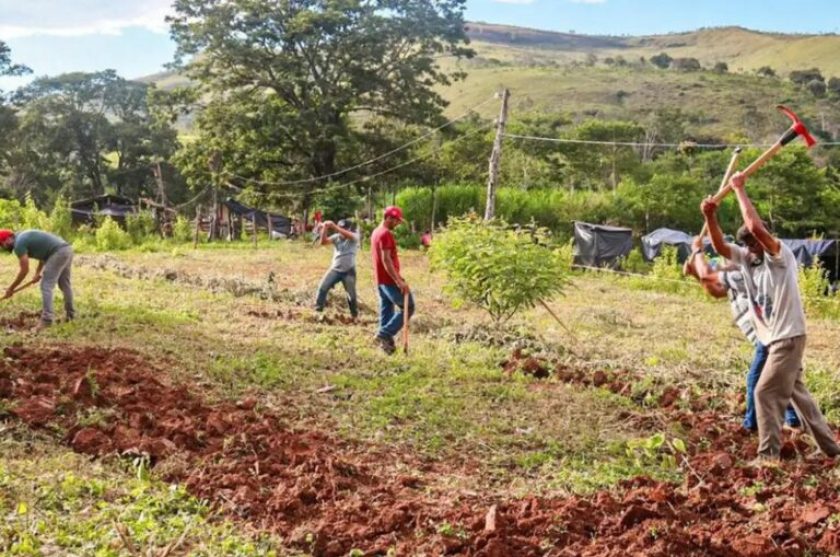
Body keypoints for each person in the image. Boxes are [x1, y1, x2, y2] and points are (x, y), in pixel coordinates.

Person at [701, 172, 839, 461]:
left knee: (764, 392)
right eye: (749, 245)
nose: (753, 248)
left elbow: (754, 225)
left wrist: (739, 190)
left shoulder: (779, 256)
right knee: (797, 396)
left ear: (765, 239)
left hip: (787, 337)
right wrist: (710, 216)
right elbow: (719, 247)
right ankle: (832, 450)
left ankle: (768, 457)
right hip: (774, 338)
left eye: (756, 242)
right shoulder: (748, 260)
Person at [683, 235, 800, 432]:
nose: (725, 261)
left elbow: (708, 276)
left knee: (757, 379)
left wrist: (696, 252)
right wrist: (696, 273)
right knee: (782, 376)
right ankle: (793, 418)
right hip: (767, 333)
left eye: (728, 255)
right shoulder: (732, 272)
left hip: (770, 334)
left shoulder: (744, 269)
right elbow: (716, 290)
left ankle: (752, 424)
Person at [0, 229, 75, 328]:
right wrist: (37, 273)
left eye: (2, 244)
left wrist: (11, 288)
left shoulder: (19, 245)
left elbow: (24, 270)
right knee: (65, 285)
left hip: (58, 252)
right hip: (66, 249)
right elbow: (43, 253)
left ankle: (47, 320)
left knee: (46, 285)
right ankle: (71, 315)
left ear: (8, 239)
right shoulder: (22, 237)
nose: (3, 247)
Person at [371, 206, 414, 355]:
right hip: (389, 280)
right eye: (396, 221)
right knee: (409, 306)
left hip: (380, 279)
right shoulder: (385, 234)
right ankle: (384, 333)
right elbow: (386, 260)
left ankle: (387, 348)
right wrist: (399, 281)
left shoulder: (376, 232)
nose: (397, 224)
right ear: (389, 218)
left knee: (387, 310)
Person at [314, 219, 360, 318]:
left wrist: (334, 226)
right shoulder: (336, 237)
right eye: (340, 228)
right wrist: (325, 228)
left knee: (351, 296)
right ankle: (318, 311)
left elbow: (348, 235)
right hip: (335, 270)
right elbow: (323, 242)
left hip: (349, 271)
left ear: (348, 229)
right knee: (322, 288)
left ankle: (354, 315)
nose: (341, 231)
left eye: (344, 228)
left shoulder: (354, 237)